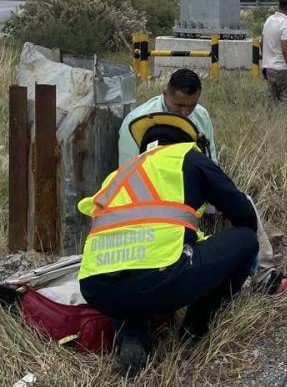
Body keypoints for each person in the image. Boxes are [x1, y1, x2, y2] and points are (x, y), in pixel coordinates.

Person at [79, 113, 259, 375]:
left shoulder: (118, 175)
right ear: (186, 142)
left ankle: (133, 334)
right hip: (158, 280)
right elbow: (240, 209)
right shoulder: (188, 156)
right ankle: (194, 329)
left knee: (136, 275)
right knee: (245, 239)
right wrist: (247, 248)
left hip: (97, 288)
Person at [118, 69, 218, 166]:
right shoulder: (137, 121)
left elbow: (211, 163)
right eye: (179, 105)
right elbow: (128, 169)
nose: (185, 112)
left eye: (192, 105)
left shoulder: (202, 115)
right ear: (165, 94)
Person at [261, 0, 287, 109]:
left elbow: (261, 42)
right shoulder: (286, 25)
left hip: (269, 69)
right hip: (283, 70)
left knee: (271, 104)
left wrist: (267, 60)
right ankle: (284, 125)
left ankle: (271, 125)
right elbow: (285, 50)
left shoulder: (269, 20)